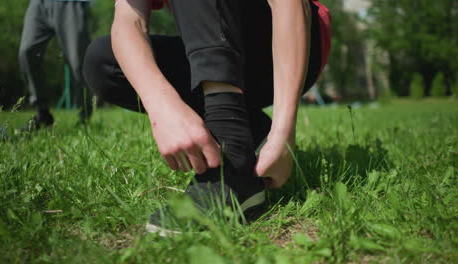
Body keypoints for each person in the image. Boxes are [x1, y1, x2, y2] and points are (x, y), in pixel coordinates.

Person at [83, 0, 330, 236]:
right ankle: (250, 131)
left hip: (284, 45)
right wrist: (163, 105)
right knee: (103, 62)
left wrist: (284, 133)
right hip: (212, 42)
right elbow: (129, 21)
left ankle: (231, 160)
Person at [18, 0, 93, 131]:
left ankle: (85, 116)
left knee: (78, 62)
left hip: (70, 3)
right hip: (39, 3)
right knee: (27, 52)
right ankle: (42, 114)